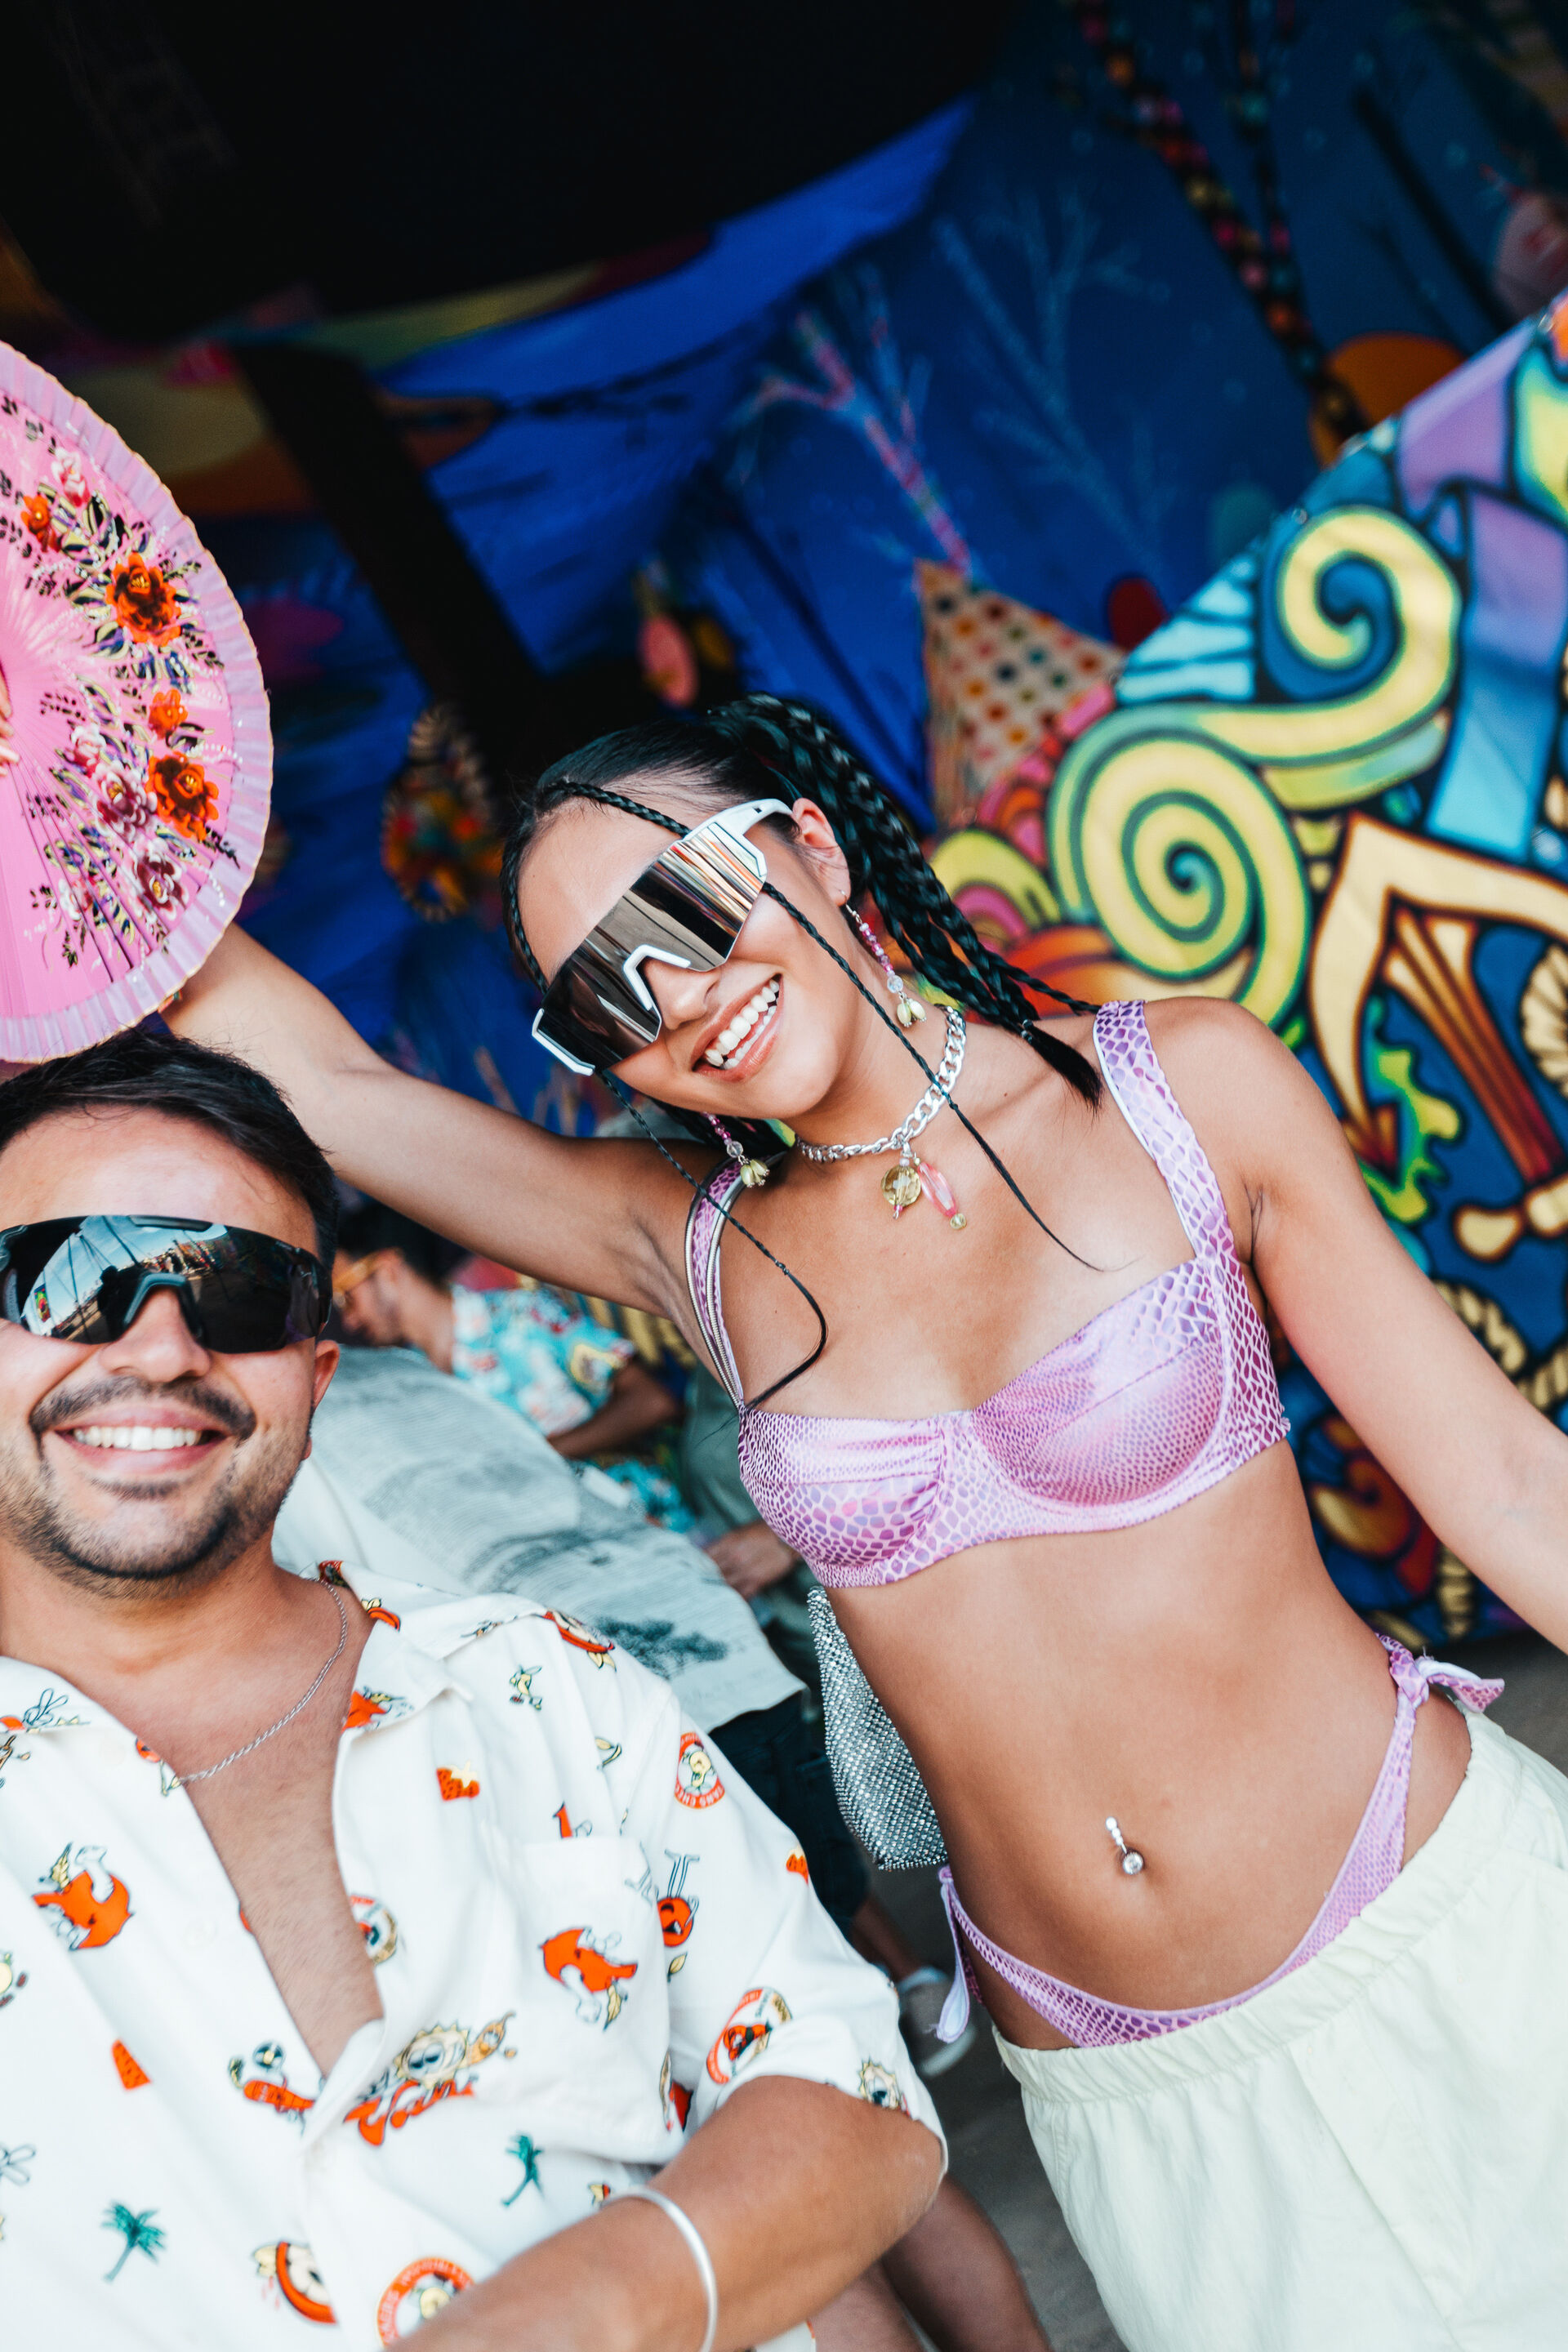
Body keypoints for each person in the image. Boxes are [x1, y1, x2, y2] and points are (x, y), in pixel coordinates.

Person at [161, 691, 1568, 2350]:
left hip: (1439, 1931)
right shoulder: (700, 1248)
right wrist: (71, 832)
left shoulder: (1173, 1092)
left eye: (687, 904)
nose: (678, 996)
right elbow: (325, 1080)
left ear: (813, 847)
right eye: (604, 996)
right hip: (1131, 2093)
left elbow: (1505, 1483)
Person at [0, 1028, 944, 2348]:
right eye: (68, 1278)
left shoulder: (542, 1683)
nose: (162, 1348)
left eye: (244, 1292)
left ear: (316, 1376)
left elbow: (859, 2098)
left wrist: (593, 2302)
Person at [332, 1203, 694, 1528]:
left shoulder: (522, 1316)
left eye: (347, 1296)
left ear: (388, 1270)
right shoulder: (413, 1386)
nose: (348, 1320)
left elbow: (653, 1401)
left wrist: (535, 1458)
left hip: (660, 1527)